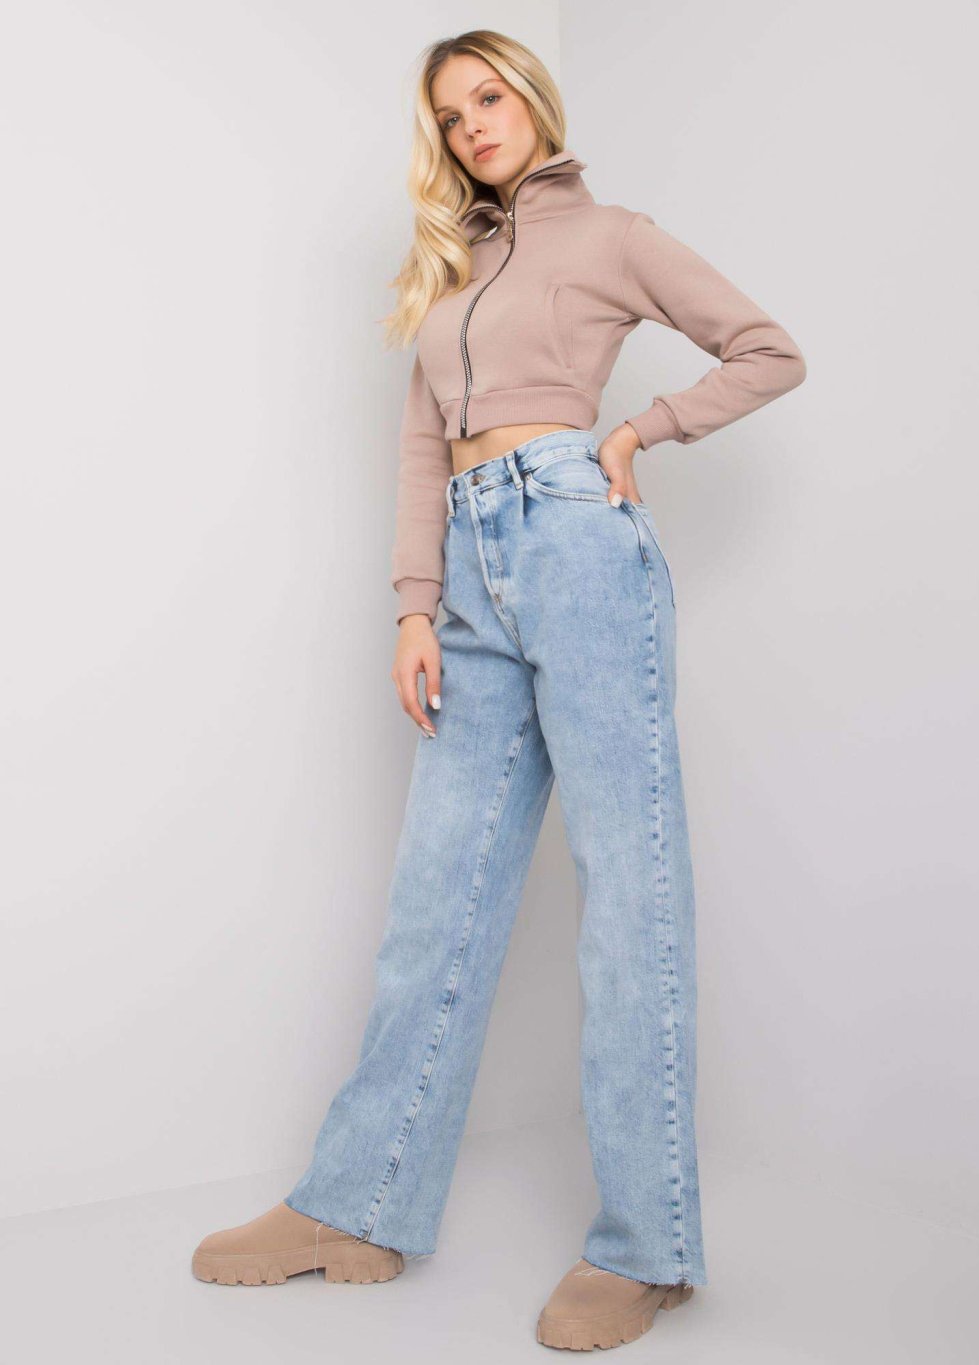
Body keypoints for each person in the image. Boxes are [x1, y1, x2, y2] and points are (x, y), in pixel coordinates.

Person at [191, 27, 806, 1352]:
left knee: (627, 898)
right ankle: (358, 1205)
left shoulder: (614, 236)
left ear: (531, 99)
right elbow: (424, 445)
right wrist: (416, 604)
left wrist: (640, 430)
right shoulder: (451, 269)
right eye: (450, 114)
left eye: (488, 97)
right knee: (438, 899)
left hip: (579, 545)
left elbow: (767, 349)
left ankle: (647, 1248)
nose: (473, 125)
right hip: (471, 579)